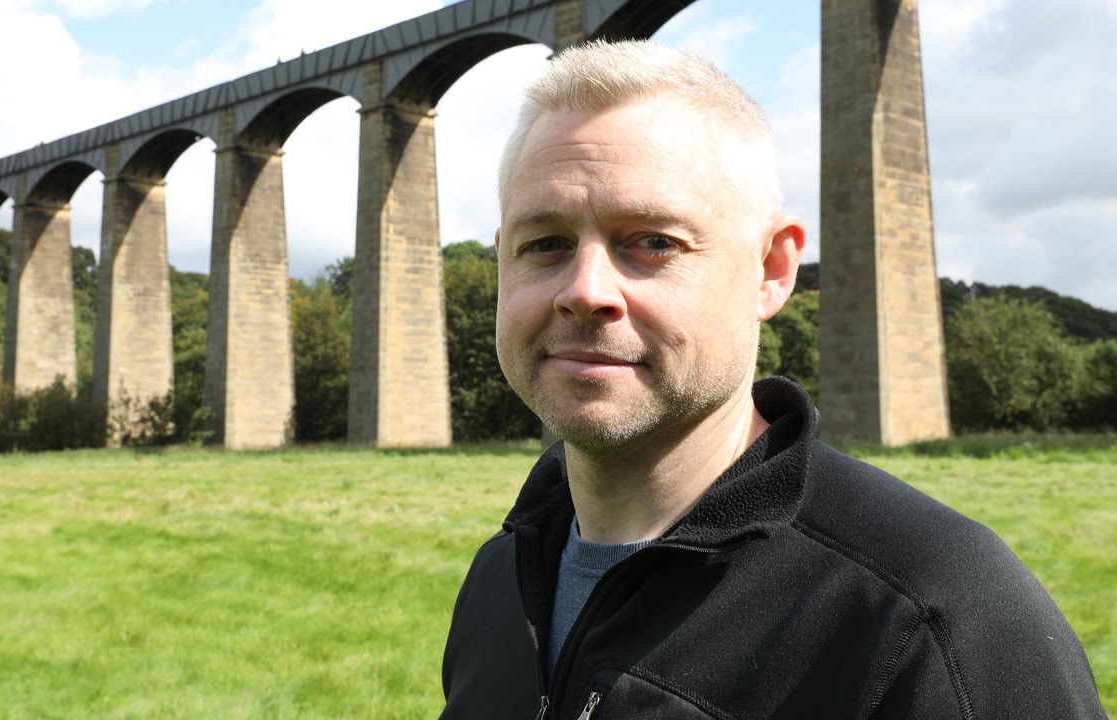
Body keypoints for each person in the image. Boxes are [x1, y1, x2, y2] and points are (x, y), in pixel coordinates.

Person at [437, 40, 1104, 719]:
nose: (585, 291)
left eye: (654, 242)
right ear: (501, 262)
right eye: (544, 243)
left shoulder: (933, 621)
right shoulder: (504, 574)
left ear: (771, 270)